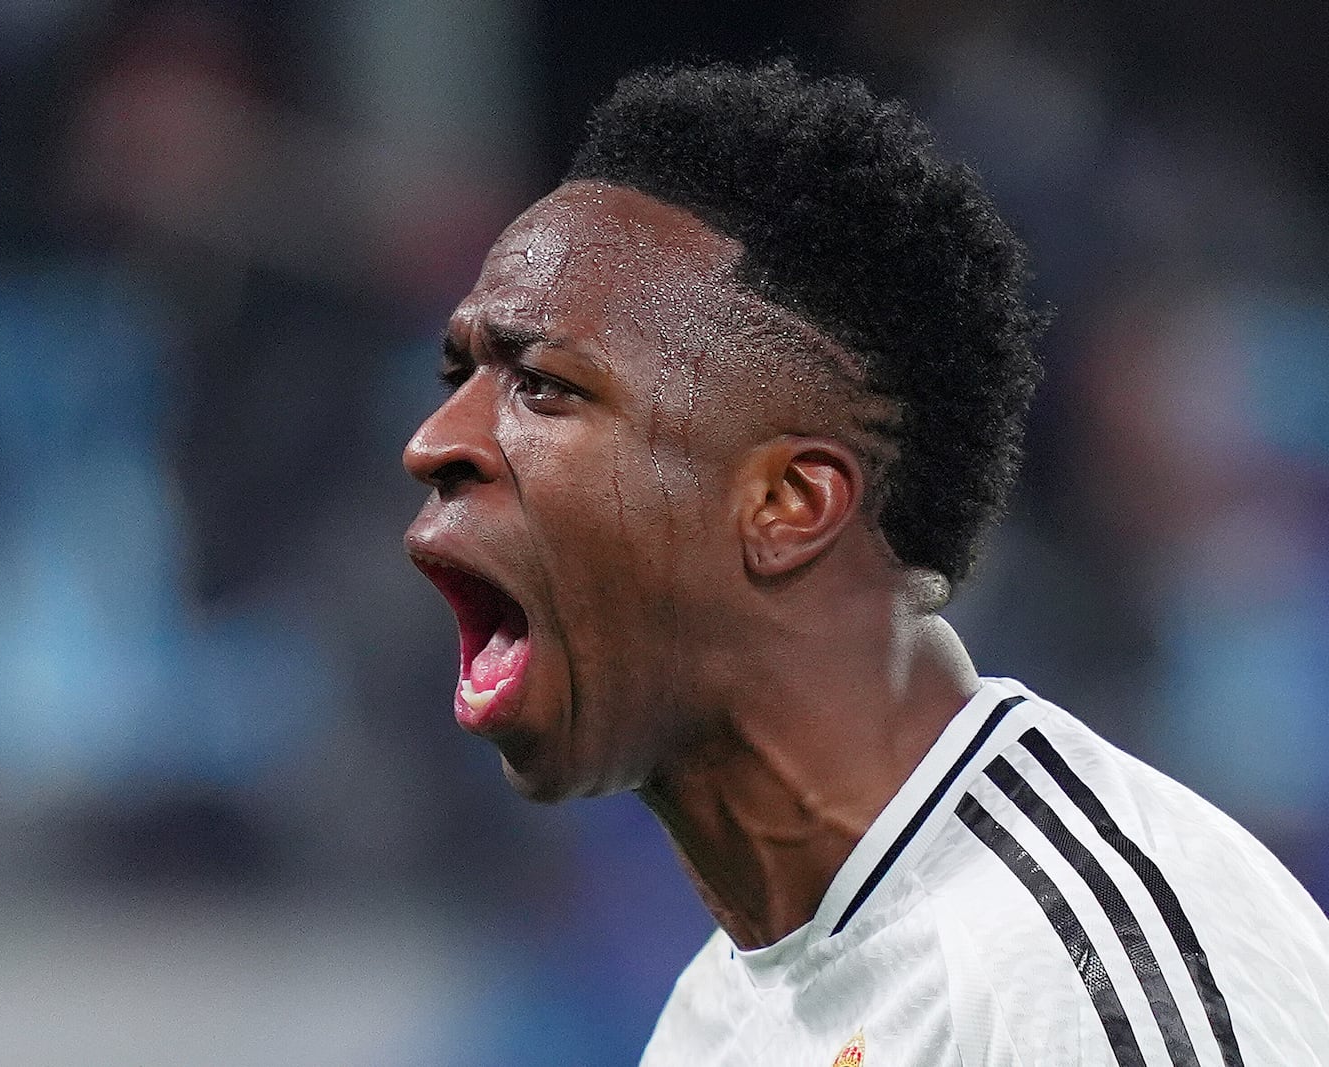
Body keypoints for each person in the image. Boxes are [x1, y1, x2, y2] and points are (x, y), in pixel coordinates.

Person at [401, 59, 1329, 1065]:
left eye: (543, 387)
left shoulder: (1076, 974)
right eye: (464, 376)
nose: (435, 440)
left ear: (787, 505)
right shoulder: (717, 1010)